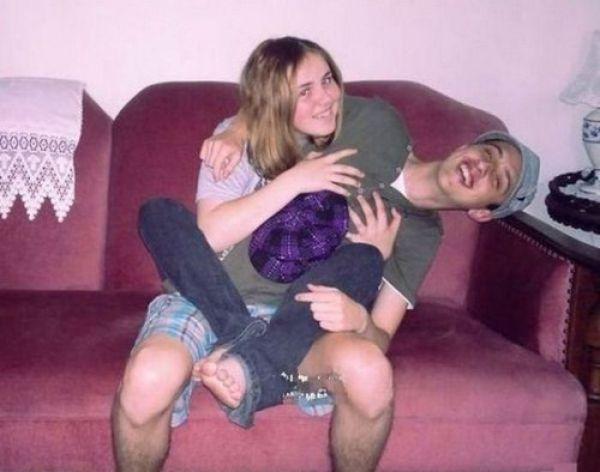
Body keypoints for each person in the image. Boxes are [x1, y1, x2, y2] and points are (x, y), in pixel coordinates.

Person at [112, 36, 540, 472]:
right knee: (149, 376)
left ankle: (256, 363)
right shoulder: (379, 124)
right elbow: (287, 97)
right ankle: (248, 351)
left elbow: (380, 336)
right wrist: (238, 130)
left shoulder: (421, 236)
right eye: (489, 154)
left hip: (299, 331)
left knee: (370, 371)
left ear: (482, 212)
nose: (484, 167)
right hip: (206, 294)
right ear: (468, 146)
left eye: (498, 180)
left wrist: (359, 317)